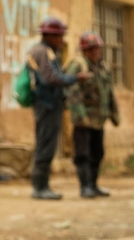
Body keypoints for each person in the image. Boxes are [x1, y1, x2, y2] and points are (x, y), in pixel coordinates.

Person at [26, 18, 90, 200]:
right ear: (50, 36)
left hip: (50, 103)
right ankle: (39, 187)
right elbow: (50, 79)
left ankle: (42, 186)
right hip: (46, 104)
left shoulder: (48, 51)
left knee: (47, 143)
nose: (62, 40)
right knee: (46, 143)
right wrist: (74, 79)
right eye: (59, 36)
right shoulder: (43, 52)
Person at [65, 32, 119, 199]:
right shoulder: (78, 66)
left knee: (98, 152)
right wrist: (80, 116)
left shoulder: (104, 67)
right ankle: (85, 186)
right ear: (84, 51)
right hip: (83, 119)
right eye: (90, 49)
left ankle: (94, 185)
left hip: (99, 118)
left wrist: (114, 113)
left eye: (96, 49)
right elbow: (71, 91)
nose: (94, 52)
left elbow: (109, 92)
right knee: (82, 154)